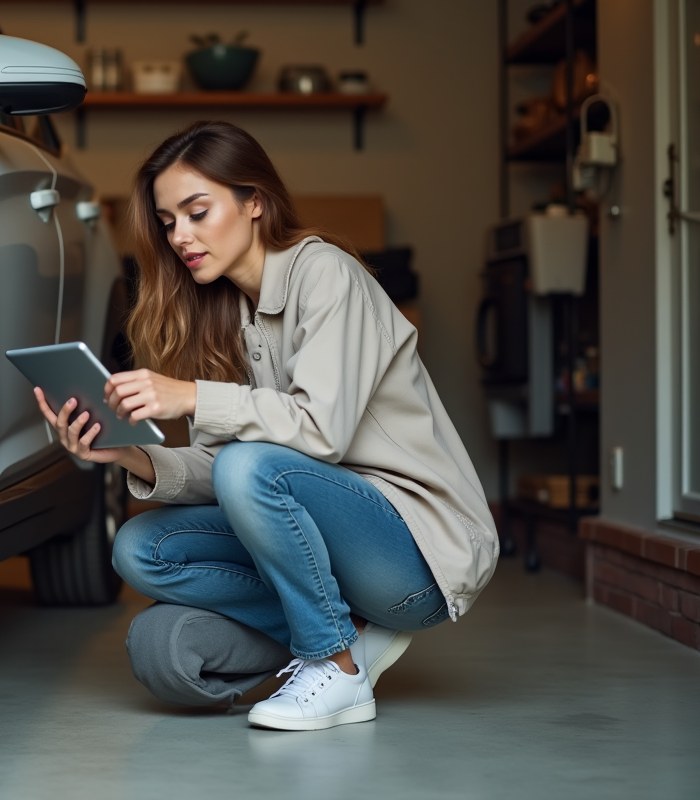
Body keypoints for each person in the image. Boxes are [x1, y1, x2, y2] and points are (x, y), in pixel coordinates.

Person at [34, 120, 497, 731]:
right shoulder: (222, 315)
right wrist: (128, 457)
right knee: (142, 560)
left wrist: (192, 396)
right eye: (170, 222)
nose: (181, 236)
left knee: (249, 465)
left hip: (414, 556)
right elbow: (219, 471)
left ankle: (337, 667)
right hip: (330, 557)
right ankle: (343, 631)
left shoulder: (325, 274)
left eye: (197, 212)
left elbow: (319, 432)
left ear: (255, 202)